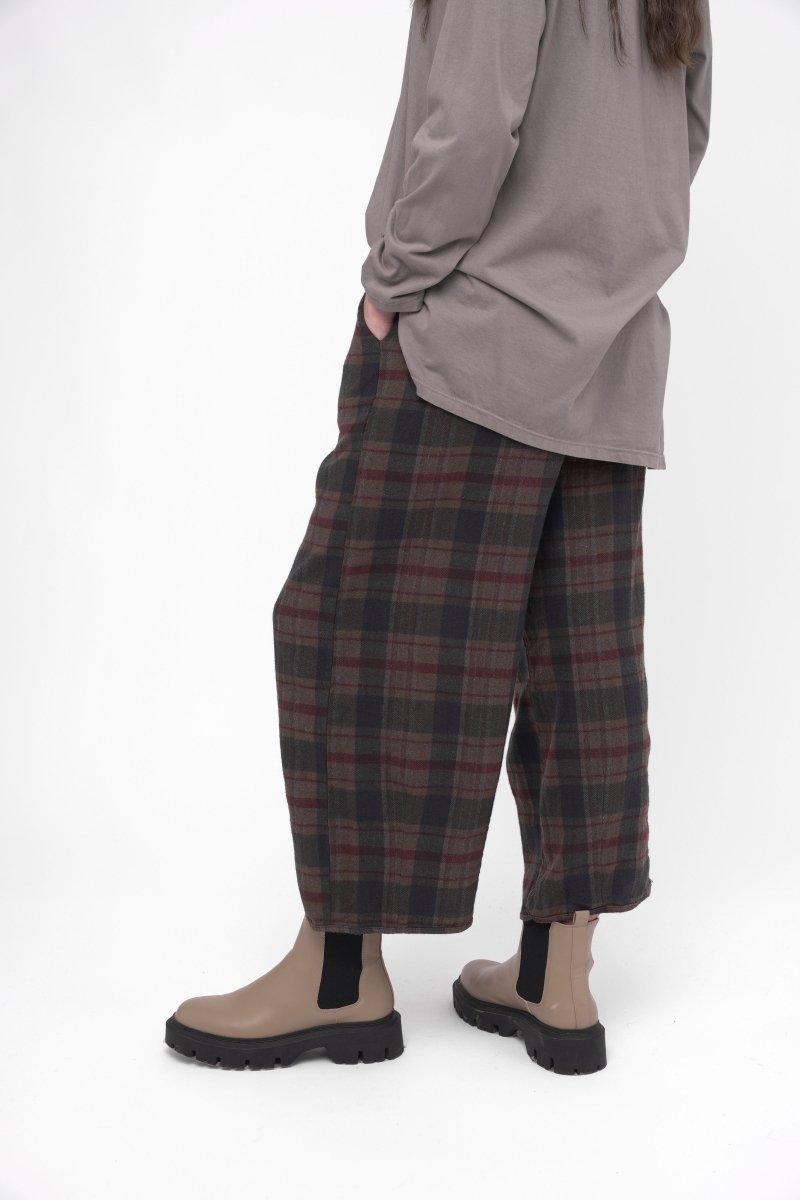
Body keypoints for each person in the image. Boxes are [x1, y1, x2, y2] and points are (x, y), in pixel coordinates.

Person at [165, 0, 712, 1075]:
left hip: (473, 342)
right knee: (578, 659)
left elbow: (468, 123)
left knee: (349, 629)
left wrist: (393, 282)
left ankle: (338, 980)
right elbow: (681, 136)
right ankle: (558, 976)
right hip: (608, 355)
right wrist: (595, 279)